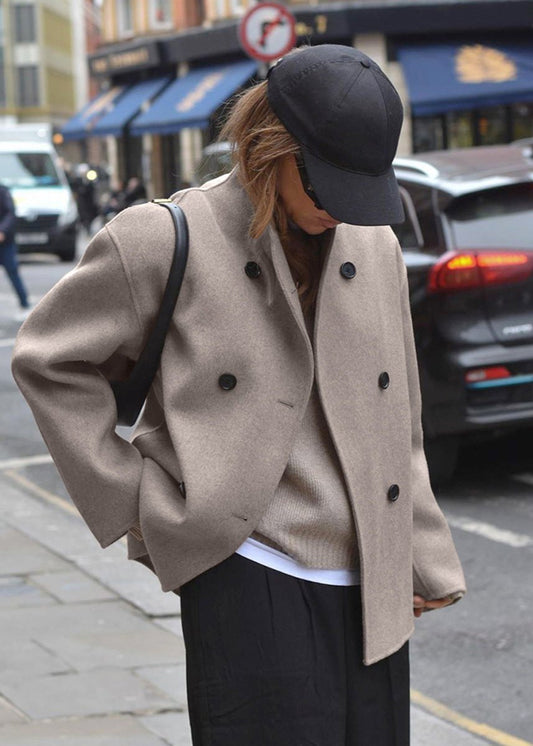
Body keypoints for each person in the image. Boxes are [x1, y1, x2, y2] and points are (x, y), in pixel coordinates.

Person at [11, 45, 466, 746]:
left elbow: (395, 413)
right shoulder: (162, 238)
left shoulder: (370, 243)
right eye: (327, 185)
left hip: (370, 581)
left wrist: (421, 551)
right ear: (272, 146)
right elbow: (49, 362)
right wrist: (139, 504)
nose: (339, 209)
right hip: (251, 567)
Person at [0, 182, 30, 315]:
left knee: (12, 272)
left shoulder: (2, 191)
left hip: (5, 242)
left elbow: (10, 213)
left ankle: (25, 304)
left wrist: (2, 231)